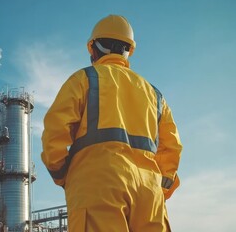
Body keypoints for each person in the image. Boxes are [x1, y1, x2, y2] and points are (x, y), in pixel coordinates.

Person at [41, 14, 182, 231]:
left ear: (94, 48)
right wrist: (159, 188)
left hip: (97, 185)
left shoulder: (83, 79)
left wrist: (63, 176)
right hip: (149, 192)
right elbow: (172, 148)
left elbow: (54, 134)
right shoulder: (154, 94)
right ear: (128, 51)